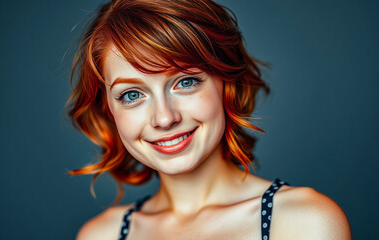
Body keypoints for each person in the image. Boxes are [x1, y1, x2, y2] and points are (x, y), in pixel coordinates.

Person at [67, 0, 351, 239]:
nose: (164, 118)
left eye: (186, 81)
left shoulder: (303, 222)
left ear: (226, 83)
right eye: (131, 95)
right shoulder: (102, 235)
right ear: (109, 110)